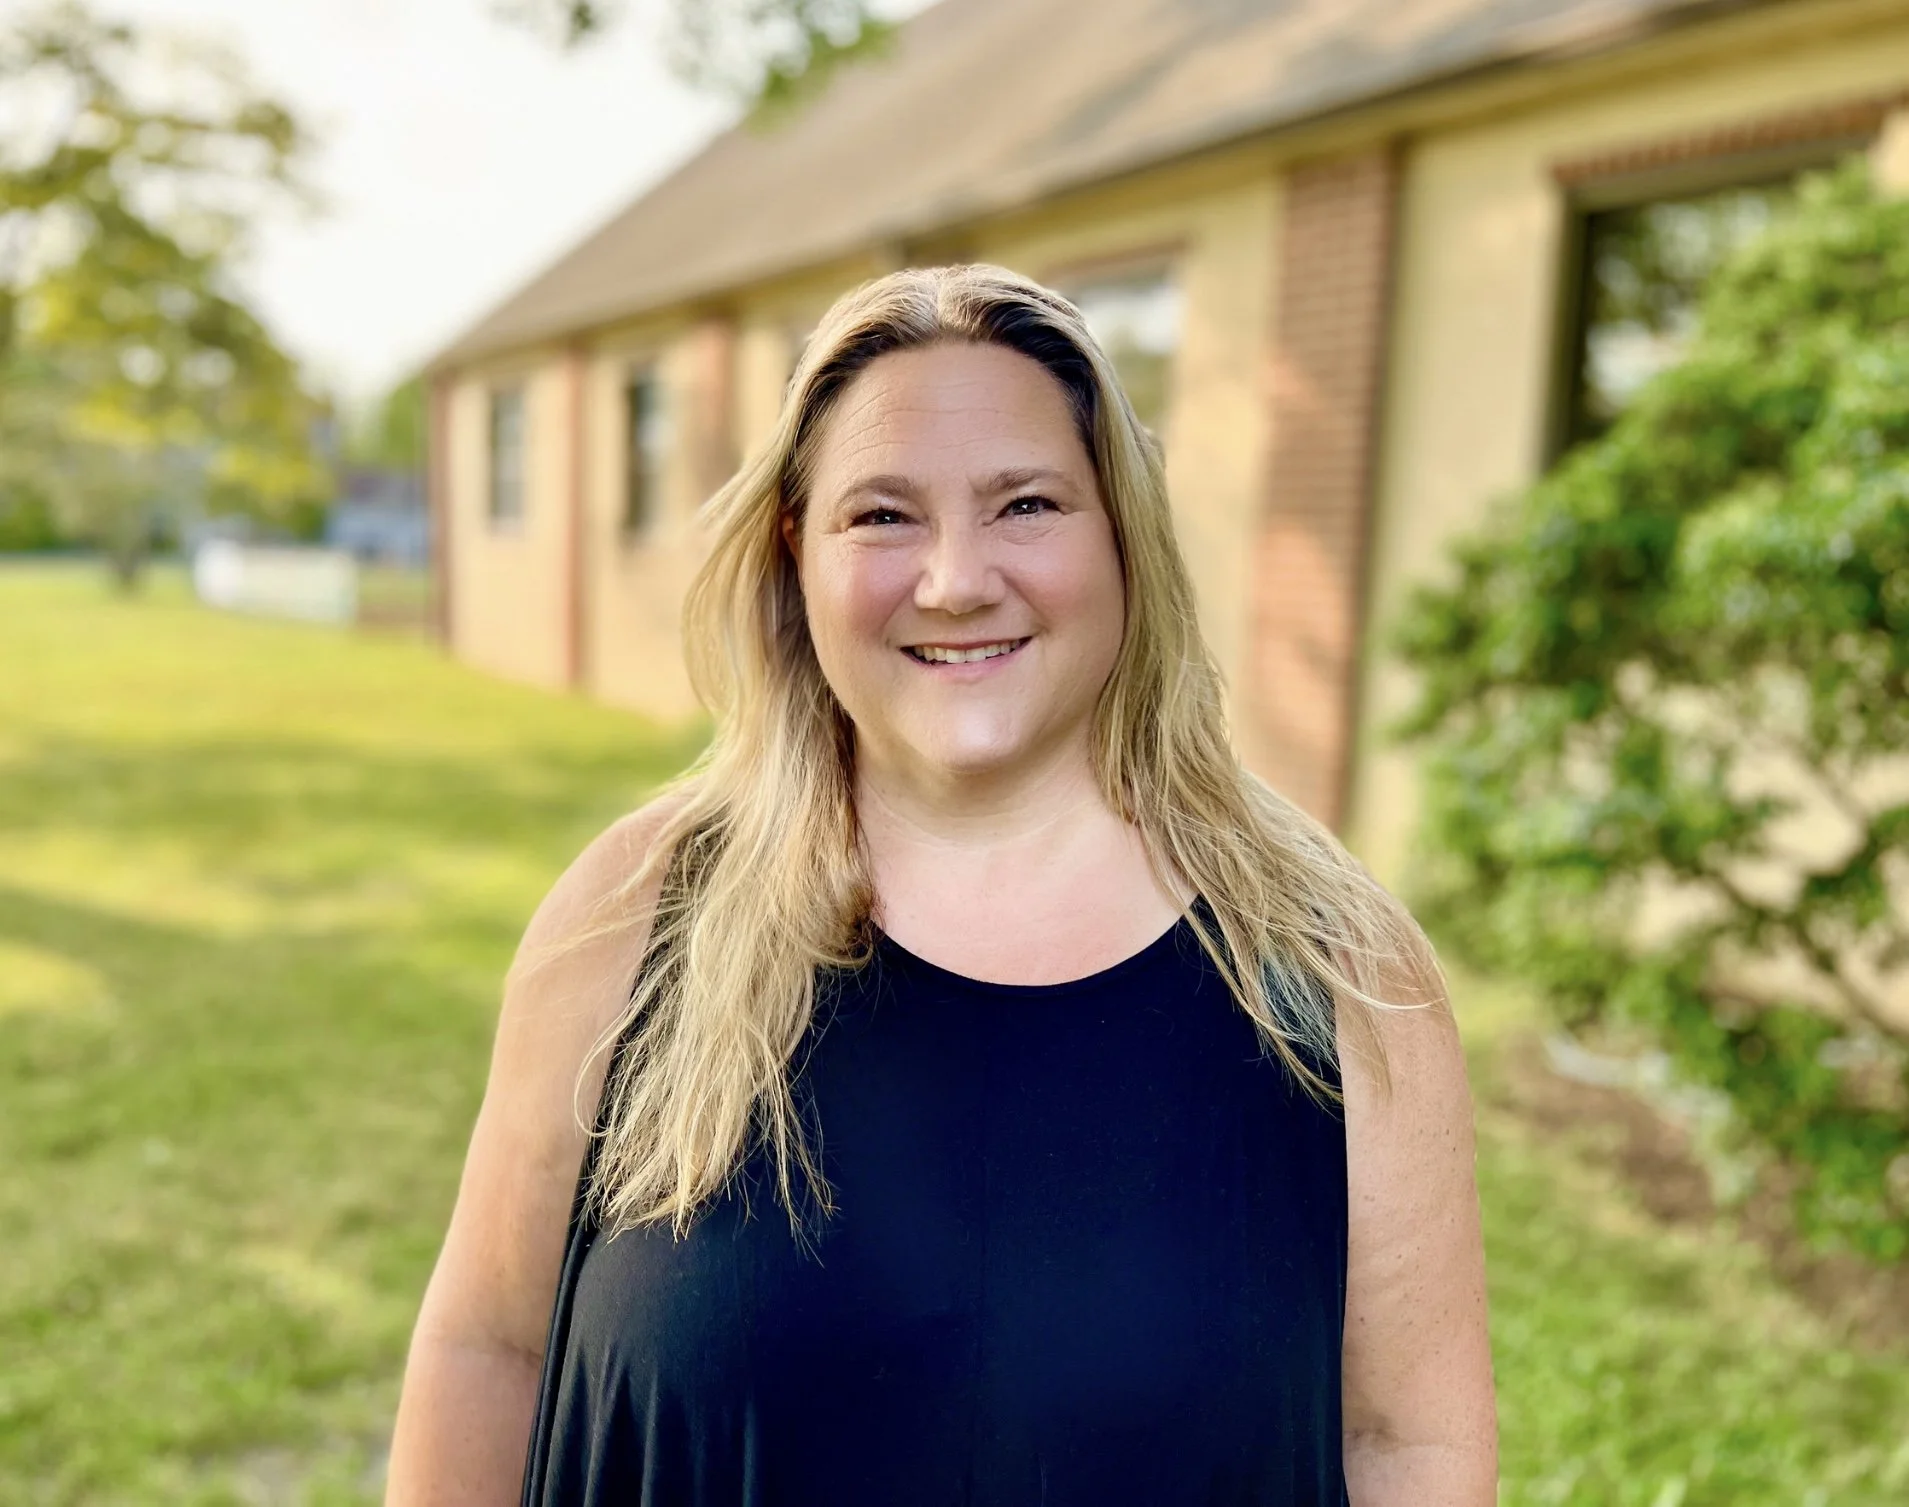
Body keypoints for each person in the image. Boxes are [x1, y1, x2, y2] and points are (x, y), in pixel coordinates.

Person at [384, 264, 1497, 1506]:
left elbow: (1407, 1440)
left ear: (1122, 537)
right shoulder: (634, 911)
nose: (956, 578)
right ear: (796, 552)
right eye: (883, 515)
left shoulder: (1335, 964)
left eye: (1026, 504)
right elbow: (489, 1347)